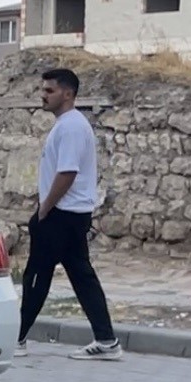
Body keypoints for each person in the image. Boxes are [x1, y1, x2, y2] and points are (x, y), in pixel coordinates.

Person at [16, 67, 119, 360]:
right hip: (72, 214)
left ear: (68, 94)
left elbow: (68, 172)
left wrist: (44, 209)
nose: (43, 95)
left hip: (62, 214)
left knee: (36, 274)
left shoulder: (71, 127)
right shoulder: (68, 124)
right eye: (43, 89)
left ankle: (18, 338)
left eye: (50, 90)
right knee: (81, 276)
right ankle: (107, 340)